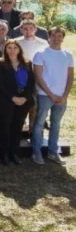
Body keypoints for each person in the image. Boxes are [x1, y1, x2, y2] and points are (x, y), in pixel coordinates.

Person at [31, 27, 73, 165]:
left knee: (56, 124)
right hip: (45, 95)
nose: (56, 38)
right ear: (49, 37)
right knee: (39, 123)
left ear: (63, 37)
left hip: (61, 97)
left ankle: (53, 152)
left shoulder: (68, 55)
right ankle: (36, 152)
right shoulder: (41, 53)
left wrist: (65, 95)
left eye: (59, 36)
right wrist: (50, 94)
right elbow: (38, 76)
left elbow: (70, 76)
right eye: (53, 35)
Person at [0, 39, 35, 165]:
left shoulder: (27, 64)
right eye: (9, 47)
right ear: (5, 50)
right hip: (7, 100)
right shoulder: (0, 64)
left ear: (19, 49)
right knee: (5, 127)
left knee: (17, 126)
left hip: (24, 100)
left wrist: (25, 98)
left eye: (15, 47)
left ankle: (14, 153)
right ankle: (4, 154)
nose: (12, 50)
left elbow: (31, 83)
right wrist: (13, 98)